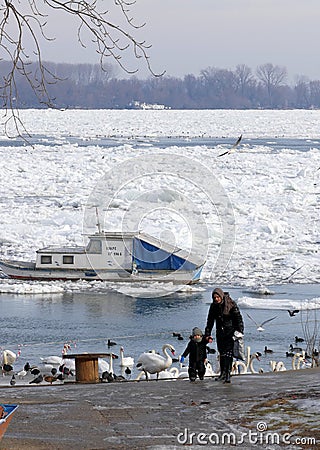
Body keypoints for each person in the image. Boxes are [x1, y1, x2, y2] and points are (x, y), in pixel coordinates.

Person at [205, 287, 244, 384]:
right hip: (220, 333)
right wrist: (207, 333)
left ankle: (228, 374)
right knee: (221, 353)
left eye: (218, 297)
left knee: (228, 354)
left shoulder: (230, 304)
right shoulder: (214, 306)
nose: (216, 299)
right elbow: (210, 321)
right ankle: (222, 373)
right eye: (214, 298)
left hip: (230, 332)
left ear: (221, 296)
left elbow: (238, 318)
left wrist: (240, 331)